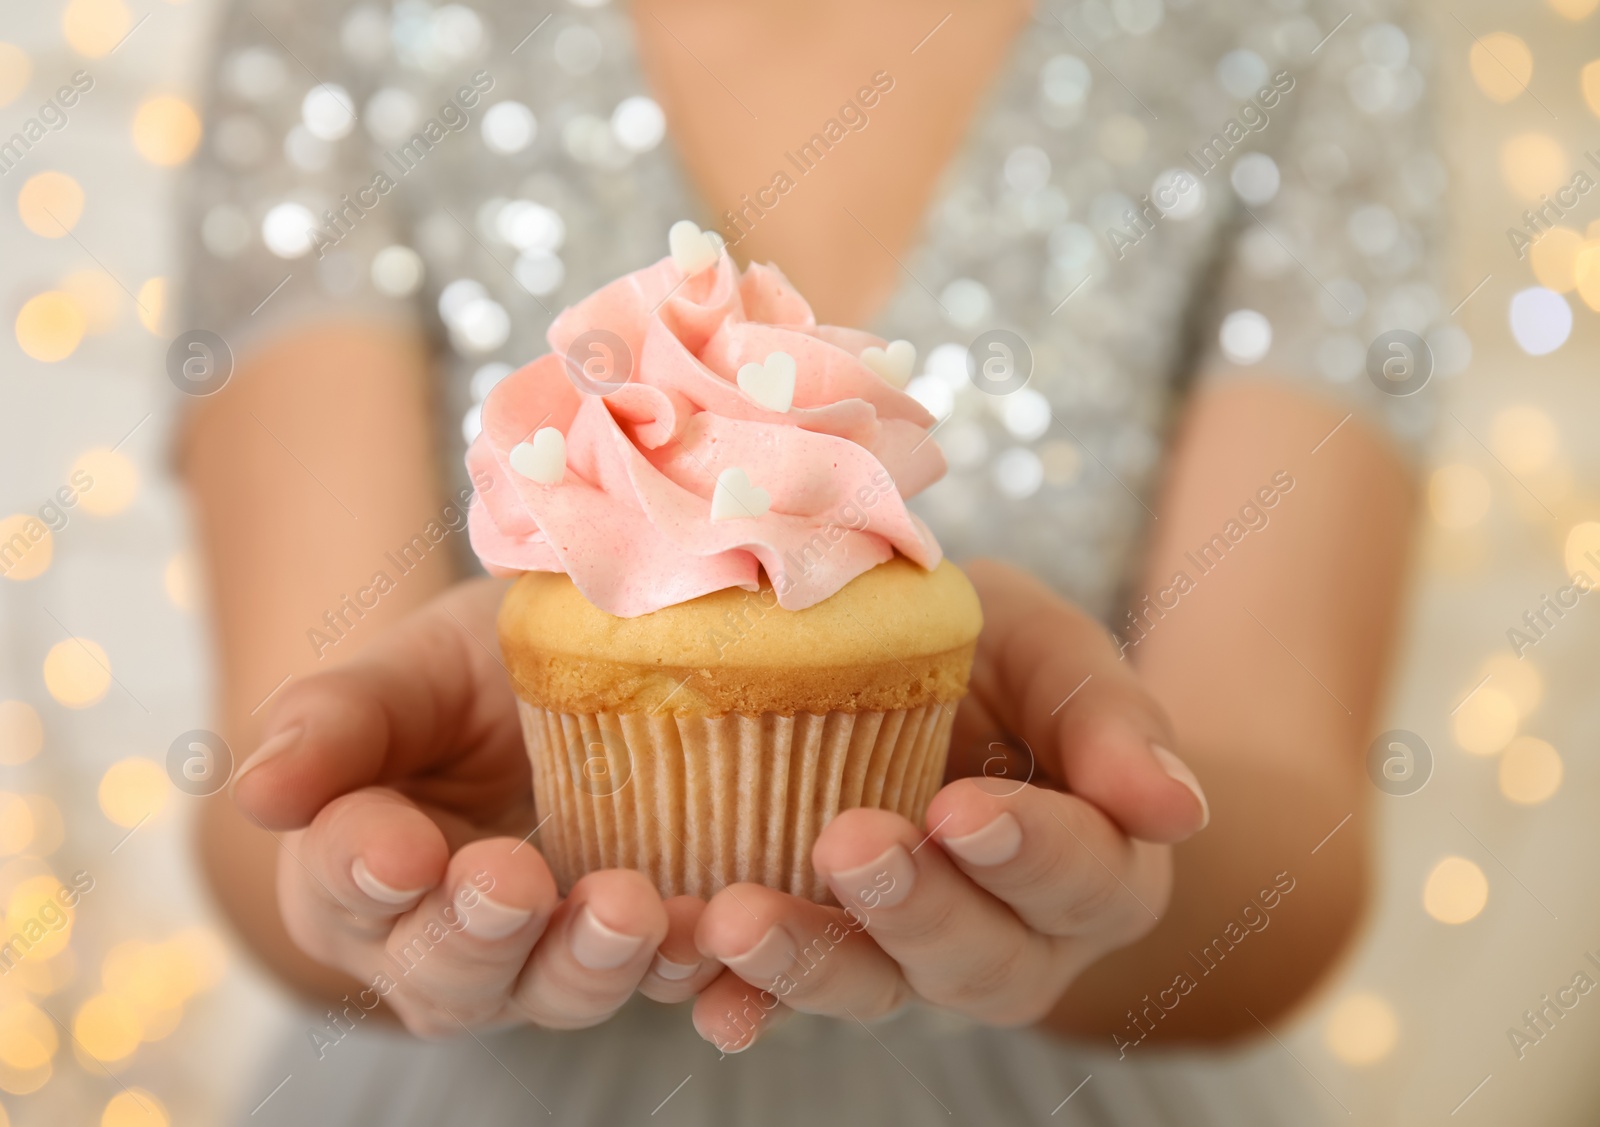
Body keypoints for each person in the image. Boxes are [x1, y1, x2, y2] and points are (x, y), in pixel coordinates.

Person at [179, 0, 1439, 1122]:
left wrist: (1115, 884)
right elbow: (271, 791)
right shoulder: (338, 19)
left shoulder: (1295, 27)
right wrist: (347, 886)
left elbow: (1293, 842)